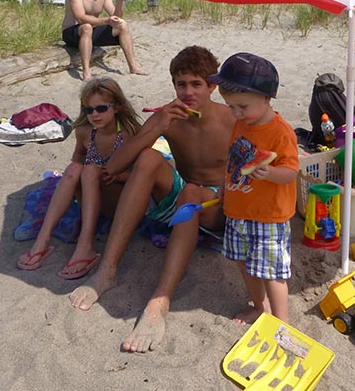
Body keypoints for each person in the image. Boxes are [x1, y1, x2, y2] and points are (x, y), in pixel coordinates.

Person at [69, 46, 235, 353]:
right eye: (181, 84)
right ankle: (107, 271)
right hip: (184, 193)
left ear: (212, 86)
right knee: (148, 158)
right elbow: (115, 165)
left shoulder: (231, 119)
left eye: (196, 84)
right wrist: (157, 127)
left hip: (220, 205)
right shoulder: (168, 118)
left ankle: (160, 301)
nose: (187, 92)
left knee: (190, 192)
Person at [17, 77, 143, 278]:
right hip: (90, 192)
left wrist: (119, 175)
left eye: (101, 109)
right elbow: (78, 157)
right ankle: (42, 241)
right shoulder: (84, 132)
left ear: (117, 107)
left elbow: (143, 177)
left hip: (120, 199)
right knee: (76, 168)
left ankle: (86, 246)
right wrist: (84, 169)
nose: (94, 115)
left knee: (90, 170)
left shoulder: (129, 134)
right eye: (88, 110)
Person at [209, 52, 299, 324]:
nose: (235, 113)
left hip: (269, 216)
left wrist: (271, 172)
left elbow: (291, 172)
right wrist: (225, 187)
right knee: (244, 264)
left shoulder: (281, 132)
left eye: (242, 106)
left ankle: (281, 324)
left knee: (272, 273)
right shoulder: (241, 123)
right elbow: (233, 159)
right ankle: (261, 308)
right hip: (238, 211)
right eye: (230, 106)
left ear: (266, 98)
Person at [62, 0, 148, 79]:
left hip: (92, 32)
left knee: (122, 24)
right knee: (86, 26)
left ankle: (133, 67)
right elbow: (80, 18)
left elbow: (117, 17)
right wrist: (106, 20)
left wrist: (120, 2)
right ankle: (86, 72)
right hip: (72, 33)